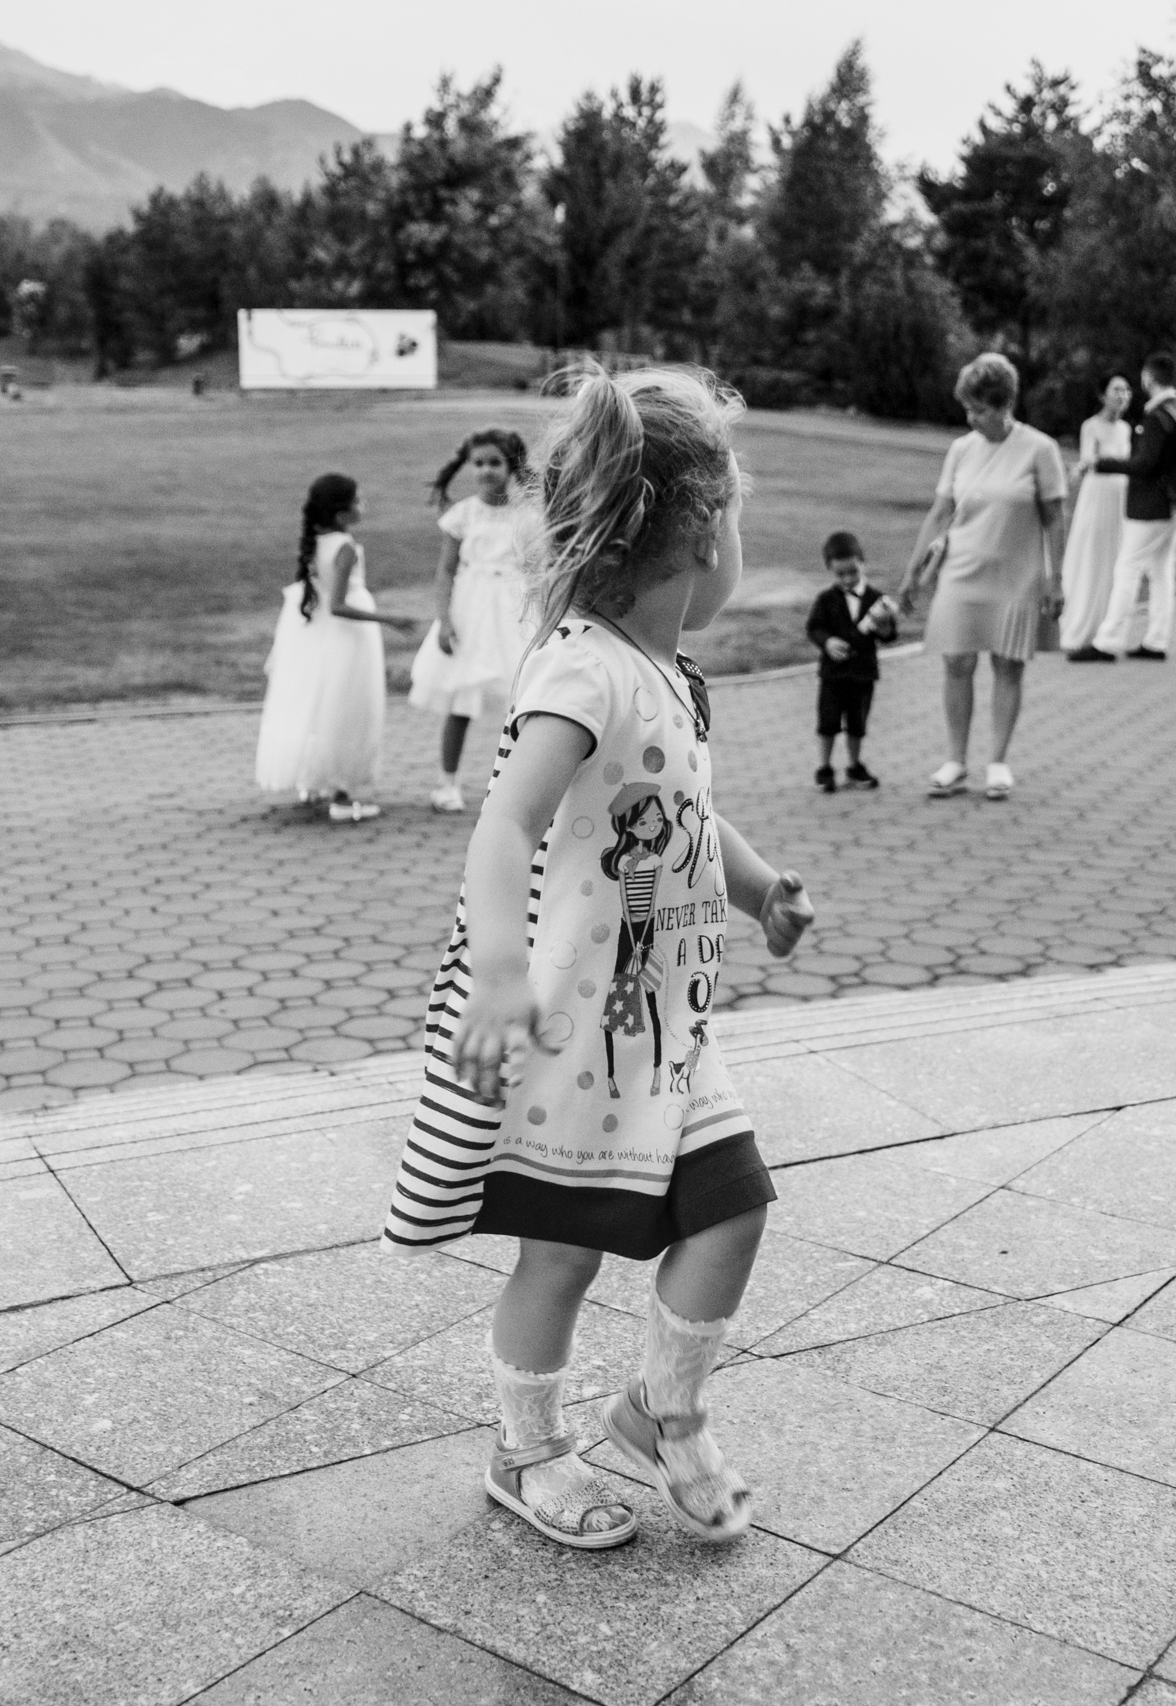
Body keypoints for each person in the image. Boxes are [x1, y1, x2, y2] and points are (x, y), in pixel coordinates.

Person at [378, 364, 816, 1551]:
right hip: (577, 1034)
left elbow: (679, 818)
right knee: (562, 1251)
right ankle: (526, 1451)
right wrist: (506, 970)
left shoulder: (664, 673)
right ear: (703, 534)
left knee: (735, 1205)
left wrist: (760, 884)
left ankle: (658, 1407)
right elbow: (507, 817)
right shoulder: (583, 667)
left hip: (667, 1029)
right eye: (739, 523)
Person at [900, 352, 1069, 801]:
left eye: (979, 409)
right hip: (960, 570)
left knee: (1007, 665)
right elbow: (940, 512)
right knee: (956, 661)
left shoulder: (1040, 449)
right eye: (968, 409)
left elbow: (1054, 518)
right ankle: (955, 760)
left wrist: (1056, 579)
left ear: (1003, 405)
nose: (971, 418)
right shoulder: (960, 449)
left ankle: (997, 761)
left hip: (1017, 574)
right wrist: (913, 571)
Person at [254, 473, 419, 821]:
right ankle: (343, 795)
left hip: (320, 637)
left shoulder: (315, 541)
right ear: (343, 514)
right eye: (358, 501)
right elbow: (338, 605)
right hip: (347, 638)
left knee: (321, 705)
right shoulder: (343, 547)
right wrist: (390, 619)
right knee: (350, 710)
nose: (364, 505)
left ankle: (314, 782)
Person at [411, 429, 536, 812]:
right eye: (478, 463)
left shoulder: (528, 514)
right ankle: (447, 783)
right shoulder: (462, 515)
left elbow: (537, 566)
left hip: (514, 610)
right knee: (461, 700)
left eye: (494, 463)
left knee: (524, 701)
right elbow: (446, 571)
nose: (485, 471)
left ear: (511, 465)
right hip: (472, 609)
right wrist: (444, 620)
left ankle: (522, 787)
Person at [1076, 350, 1176, 662]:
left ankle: (1107, 641)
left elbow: (1145, 464)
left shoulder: (1157, 416)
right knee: (1161, 570)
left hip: (1152, 506)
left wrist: (1104, 464)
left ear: (1149, 378)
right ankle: (1156, 639)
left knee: (1127, 569)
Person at [803, 530, 899, 792]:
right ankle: (825, 767)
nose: (847, 579)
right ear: (830, 571)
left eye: (852, 572)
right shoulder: (826, 599)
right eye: (840, 574)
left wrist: (882, 626)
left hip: (863, 674)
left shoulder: (877, 599)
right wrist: (828, 642)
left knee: (857, 723)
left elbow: (890, 636)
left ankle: (855, 765)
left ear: (862, 563)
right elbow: (814, 627)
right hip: (833, 674)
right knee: (828, 721)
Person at [1058, 374, 1134, 655]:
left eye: (1126, 390)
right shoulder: (1090, 426)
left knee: (1115, 560)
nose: (1122, 395)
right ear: (1103, 395)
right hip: (1097, 496)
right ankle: (1080, 623)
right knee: (1091, 555)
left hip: (1120, 499)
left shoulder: (1126, 429)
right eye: (1116, 389)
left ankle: (1106, 627)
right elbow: (1089, 459)